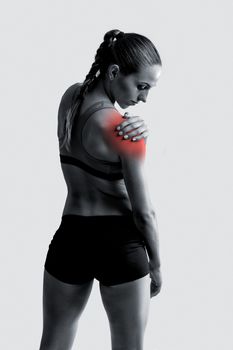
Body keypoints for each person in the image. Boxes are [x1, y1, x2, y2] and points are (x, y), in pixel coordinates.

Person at [39, 29, 162, 350]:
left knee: (53, 341)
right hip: (120, 244)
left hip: (71, 238)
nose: (144, 98)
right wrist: (157, 265)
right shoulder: (125, 133)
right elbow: (144, 212)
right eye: (142, 86)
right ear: (114, 72)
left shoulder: (70, 98)